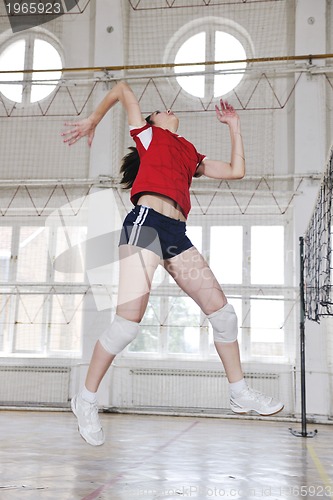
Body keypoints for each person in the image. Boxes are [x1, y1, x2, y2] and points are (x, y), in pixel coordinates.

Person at [62, 81, 283, 446]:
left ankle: (239, 391)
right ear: (151, 121)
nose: (167, 108)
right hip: (145, 225)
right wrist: (93, 120)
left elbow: (235, 171)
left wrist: (235, 128)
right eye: (159, 109)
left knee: (224, 315)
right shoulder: (147, 136)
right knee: (126, 326)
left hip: (176, 234)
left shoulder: (189, 152)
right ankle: (85, 399)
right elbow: (121, 88)